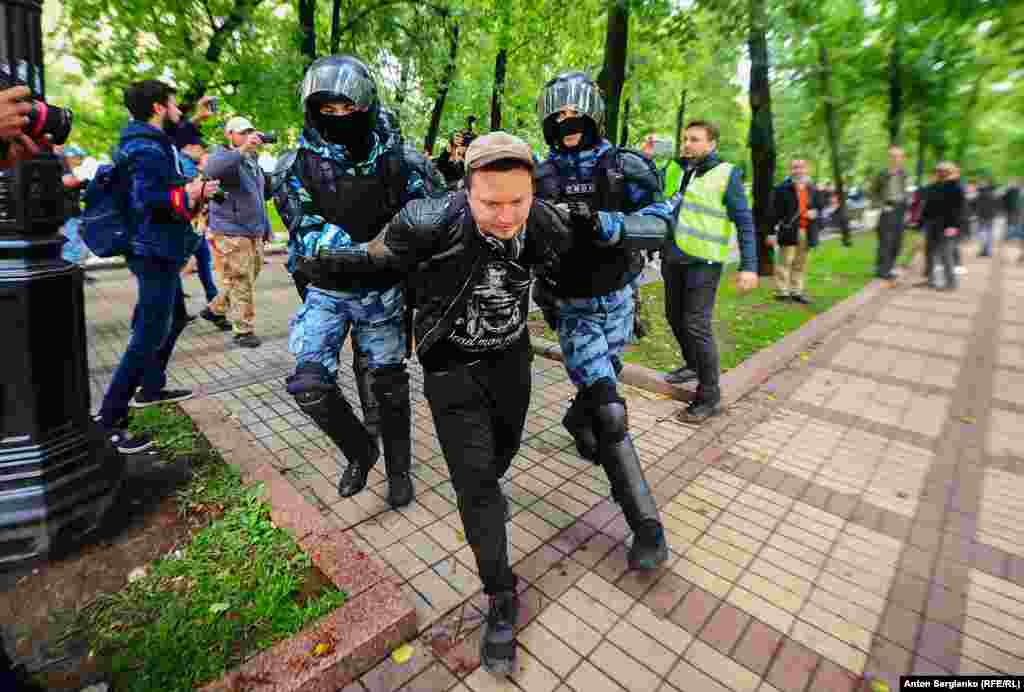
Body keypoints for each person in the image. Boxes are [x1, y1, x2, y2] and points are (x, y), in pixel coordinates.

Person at [316, 131, 667, 677]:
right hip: (449, 370)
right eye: (490, 203)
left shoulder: (545, 221)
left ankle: (495, 486)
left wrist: (621, 267)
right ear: (467, 190)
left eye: (517, 202)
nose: (506, 217)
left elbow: (581, 266)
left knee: (501, 457)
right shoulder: (428, 220)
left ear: (532, 193)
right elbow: (376, 260)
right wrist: (319, 265)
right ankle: (501, 597)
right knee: (475, 483)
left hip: (510, 365)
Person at [271, 55, 443, 509]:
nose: (338, 117)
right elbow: (305, 231)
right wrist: (365, 248)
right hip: (327, 291)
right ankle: (360, 451)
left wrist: (405, 252)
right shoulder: (296, 166)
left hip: (383, 293)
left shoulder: (402, 161)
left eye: (347, 108)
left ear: (365, 105)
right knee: (309, 384)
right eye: (327, 109)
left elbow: (430, 217)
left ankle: (399, 470)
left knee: (388, 384)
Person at [531, 71, 671, 572]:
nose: (567, 124)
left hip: (618, 300)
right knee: (611, 410)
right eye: (558, 116)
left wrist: (610, 226)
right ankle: (647, 527)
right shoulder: (538, 176)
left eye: (576, 114)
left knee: (599, 387)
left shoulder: (625, 166)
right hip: (571, 308)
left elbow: (661, 220)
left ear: (594, 113)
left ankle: (576, 418)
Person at [95, 80, 219, 453]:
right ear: (157, 107)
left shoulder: (145, 140)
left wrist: (188, 186)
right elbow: (150, 197)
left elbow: (167, 164)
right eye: (172, 104)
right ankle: (109, 418)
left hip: (154, 247)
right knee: (149, 332)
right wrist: (192, 192)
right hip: (154, 250)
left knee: (174, 318)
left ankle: (151, 387)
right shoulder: (146, 147)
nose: (178, 110)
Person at [661, 120, 758, 422]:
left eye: (695, 139)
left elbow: (744, 222)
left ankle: (710, 394)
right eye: (686, 139)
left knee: (696, 324)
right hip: (674, 257)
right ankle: (692, 365)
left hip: (705, 262)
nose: (688, 144)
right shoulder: (681, 170)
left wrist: (750, 266)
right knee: (674, 316)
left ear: (712, 144)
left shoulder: (726, 174)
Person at [201, 115, 273, 348]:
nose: (247, 136)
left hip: (253, 230)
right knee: (241, 278)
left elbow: (259, 198)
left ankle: (216, 309)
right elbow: (213, 169)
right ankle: (243, 330)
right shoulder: (222, 155)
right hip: (231, 230)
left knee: (247, 276)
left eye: (249, 131)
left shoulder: (252, 161)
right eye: (241, 132)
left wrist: (266, 228)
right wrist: (242, 149)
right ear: (229, 135)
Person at [769, 159, 825, 303]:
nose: (798, 171)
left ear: (806, 170)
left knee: (800, 263)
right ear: (790, 170)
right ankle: (783, 292)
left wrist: (816, 213)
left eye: (801, 168)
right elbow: (773, 212)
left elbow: (820, 207)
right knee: (784, 261)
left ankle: (796, 292)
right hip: (788, 230)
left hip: (806, 230)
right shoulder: (782, 188)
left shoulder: (813, 189)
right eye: (794, 168)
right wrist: (770, 231)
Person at [920, 161, 964, 291]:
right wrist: (921, 222)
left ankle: (951, 283)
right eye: (938, 171)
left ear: (949, 172)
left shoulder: (955, 187)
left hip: (947, 226)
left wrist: (953, 226)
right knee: (930, 254)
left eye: (942, 171)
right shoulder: (935, 186)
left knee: (946, 254)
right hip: (932, 224)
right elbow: (928, 206)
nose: (939, 173)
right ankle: (931, 280)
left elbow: (958, 209)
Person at [870, 145, 909, 279]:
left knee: (898, 241)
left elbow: (904, 192)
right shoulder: (882, 174)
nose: (896, 159)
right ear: (889, 158)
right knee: (886, 241)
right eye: (893, 156)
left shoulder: (904, 173)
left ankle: (889, 267)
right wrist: (881, 205)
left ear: (902, 158)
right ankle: (883, 270)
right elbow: (872, 192)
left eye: (899, 156)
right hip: (887, 209)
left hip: (900, 209)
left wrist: (907, 210)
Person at [57, 144, 94, 280]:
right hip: (67, 213)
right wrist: (85, 181)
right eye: (77, 158)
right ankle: (72, 275)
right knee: (72, 244)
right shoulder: (60, 160)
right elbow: (68, 182)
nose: (79, 161)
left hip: (72, 212)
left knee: (77, 243)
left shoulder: (62, 162)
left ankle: (77, 272)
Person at [975, 176, 998, 258]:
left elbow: (977, 205)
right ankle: (987, 251)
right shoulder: (993, 193)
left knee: (982, 233)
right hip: (990, 215)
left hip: (982, 216)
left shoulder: (980, 193)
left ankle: (984, 250)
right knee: (988, 233)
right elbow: (996, 204)